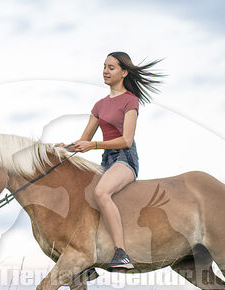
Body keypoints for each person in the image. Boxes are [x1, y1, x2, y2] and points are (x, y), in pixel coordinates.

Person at [61, 51, 164, 270]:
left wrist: (94, 145)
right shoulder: (99, 105)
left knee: (101, 192)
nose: (105, 71)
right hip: (106, 160)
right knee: (82, 196)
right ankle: (86, 257)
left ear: (124, 72)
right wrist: (63, 148)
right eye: (104, 67)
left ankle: (121, 253)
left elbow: (126, 140)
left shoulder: (130, 101)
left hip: (125, 160)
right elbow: (84, 140)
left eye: (111, 68)